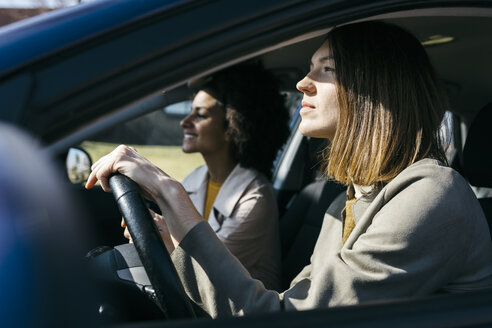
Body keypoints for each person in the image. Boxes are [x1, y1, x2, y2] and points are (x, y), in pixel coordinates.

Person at [86, 21, 492, 317]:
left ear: (374, 88)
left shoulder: (432, 195)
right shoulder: (348, 199)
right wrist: (176, 246)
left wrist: (170, 192)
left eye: (325, 69)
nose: (302, 82)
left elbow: (291, 318)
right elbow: (291, 300)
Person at [119, 62, 290, 291]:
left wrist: (158, 228)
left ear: (232, 126)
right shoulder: (196, 178)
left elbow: (208, 265)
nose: (184, 122)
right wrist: (156, 226)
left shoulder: (256, 196)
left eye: (200, 115)